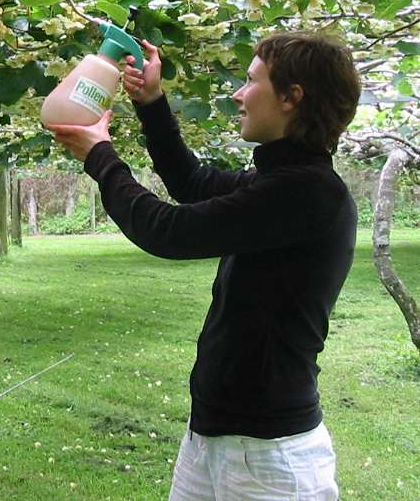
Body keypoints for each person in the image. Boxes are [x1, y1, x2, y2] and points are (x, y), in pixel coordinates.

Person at [48, 32, 361, 500]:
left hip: (268, 454)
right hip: (216, 437)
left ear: (292, 98)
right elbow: (191, 182)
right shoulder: (279, 181)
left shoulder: (309, 193)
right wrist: (152, 102)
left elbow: (168, 231)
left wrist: (101, 157)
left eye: (251, 81)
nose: (238, 93)